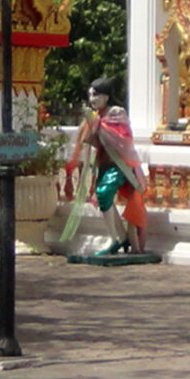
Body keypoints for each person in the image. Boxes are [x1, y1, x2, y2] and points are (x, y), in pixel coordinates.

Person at [64, 79, 149, 256]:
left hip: (121, 164)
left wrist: (95, 124)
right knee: (104, 199)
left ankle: (115, 240)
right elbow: (94, 140)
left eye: (95, 94)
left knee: (103, 192)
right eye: (90, 95)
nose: (92, 98)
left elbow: (120, 139)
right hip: (104, 163)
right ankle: (120, 237)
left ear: (106, 96)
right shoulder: (96, 115)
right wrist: (91, 125)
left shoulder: (116, 112)